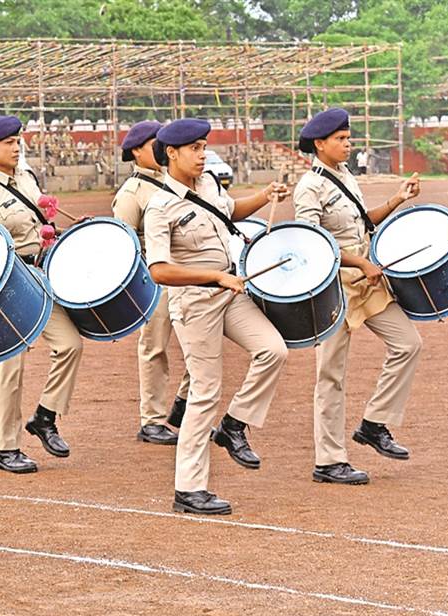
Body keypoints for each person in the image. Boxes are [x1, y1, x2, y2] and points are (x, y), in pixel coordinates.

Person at [143, 118, 291, 515]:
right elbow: (158, 269)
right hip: (194, 305)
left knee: (273, 350)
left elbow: (229, 212)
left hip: (229, 292)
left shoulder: (209, 183)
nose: (202, 154)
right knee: (205, 392)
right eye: (194, 148)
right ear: (171, 153)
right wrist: (214, 276)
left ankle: (234, 425)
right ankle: (189, 489)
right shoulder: (159, 206)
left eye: (204, 146)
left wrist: (264, 195)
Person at [293, 108, 422, 485]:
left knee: (408, 343)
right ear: (320, 144)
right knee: (330, 374)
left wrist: (397, 199)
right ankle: (329, 461)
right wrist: (357, 263)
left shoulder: (346, 176)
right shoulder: (309, 187)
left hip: (365, 283)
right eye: (341, 140)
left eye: (349, 139)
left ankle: (374, 423)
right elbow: (311, 242)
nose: (349, 145)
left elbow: (363, 221)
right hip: (332, 287)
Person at [0, 114, 81, 474]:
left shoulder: (27, 178)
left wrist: (52, 229)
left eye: (18, 141)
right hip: (9, 284)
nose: (17, 147)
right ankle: (6, 447)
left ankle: (45, 416)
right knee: (11, 368)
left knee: (70, 344)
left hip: (41, 274)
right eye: (9, 143)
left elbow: (41, 222)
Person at [112, 120, 190, 446]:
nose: (160, 149)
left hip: (185, 272)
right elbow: (122, 244)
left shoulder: (175, 182)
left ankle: (184, 407)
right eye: (152, 144)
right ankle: (152, 421)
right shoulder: (132, 193)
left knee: (202, 343)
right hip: (153, 278)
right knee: (154, 348)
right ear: (135, 151)